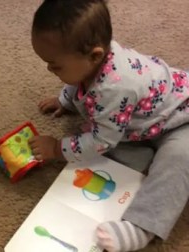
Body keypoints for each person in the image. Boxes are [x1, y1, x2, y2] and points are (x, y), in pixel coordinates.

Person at [28, 0, 189, 251]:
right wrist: (65, 101)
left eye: (55, 65)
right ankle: (144, 154)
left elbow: (101, 140)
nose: (49, 69)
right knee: (103, 157)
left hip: (181, 119)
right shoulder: (92, 62)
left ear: (95, 56)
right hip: (140, 125)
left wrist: (57, 148)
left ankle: (141, 227)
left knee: (178, 162)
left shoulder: (114, 87)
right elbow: (78, 80)